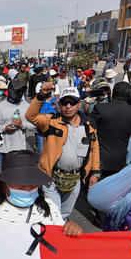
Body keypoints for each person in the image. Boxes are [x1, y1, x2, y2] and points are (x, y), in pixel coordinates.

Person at [26, 83, 100, 219]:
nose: (68, 106)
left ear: (80, 103)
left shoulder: (89, 125)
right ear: (59, 104)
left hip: (75, 179)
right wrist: (41, 95)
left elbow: (94, 149)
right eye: (65, 102)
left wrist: (94, 173)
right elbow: (30, 116)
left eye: (72, 102)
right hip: (51, 178)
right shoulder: (51, 121)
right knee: (53, 214)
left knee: (65, 214)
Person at [91, 82, 131, 178]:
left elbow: (90, 127)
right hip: (120, 160)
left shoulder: (101, 108)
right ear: (129, 95)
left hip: (99, 160)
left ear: (113, 94)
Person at [0, 79, 34, 170]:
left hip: (19, 150)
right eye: (17, 91)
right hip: (1, 150)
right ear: (10, 91)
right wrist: (4, 128)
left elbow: (34, 126)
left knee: (17, 177)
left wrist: (22, 125)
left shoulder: (27, 106)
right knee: (1, 177)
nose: (20, 94)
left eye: (22, 91)